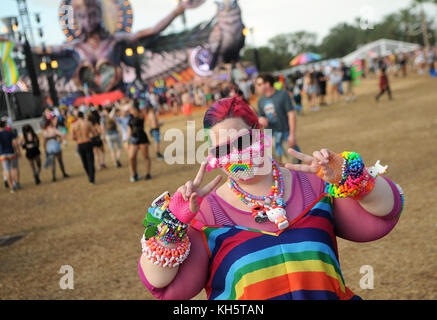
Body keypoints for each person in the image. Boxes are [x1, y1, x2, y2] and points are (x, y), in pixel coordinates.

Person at [138, 96, 405, 300]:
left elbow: (386, 209)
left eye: (242, 142)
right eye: (223, 148)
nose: (236, 154)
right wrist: (172, 224)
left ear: (261, 130)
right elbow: (160, 282)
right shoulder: (206, 213)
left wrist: (348, 176)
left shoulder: (314, 186)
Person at [255, 73, 301, 165]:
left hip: (285, 134)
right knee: (278, 166)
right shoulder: (261, 100)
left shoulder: (283, 94)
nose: (257, 87)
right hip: (270, 137)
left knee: (294, 163)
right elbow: (261, 117)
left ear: (267, 84)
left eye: (259, 84)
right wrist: (261, 119)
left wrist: (292, 135)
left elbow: (291, 115)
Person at [127, 100, 152, 182]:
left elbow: (143, 114)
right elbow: (129, 129)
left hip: (142, 137)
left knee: (146, 156)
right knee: (131, 157)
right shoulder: (130, 116)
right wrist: (127, 140)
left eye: (131, 108)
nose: (129, 109)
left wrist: (137, 108)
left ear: (135, 108)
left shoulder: (140, 114)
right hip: (133, 138)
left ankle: (148, 173)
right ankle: (134, 174)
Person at [71, 111, 96, 185]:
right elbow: (94, 133)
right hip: (87, 142)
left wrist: (78, 138)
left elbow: (73, 137)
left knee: (84, 161)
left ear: (77, 117)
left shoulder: (73, 125)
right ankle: (91, 178)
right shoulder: (87, 123)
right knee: (90, 161)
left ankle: (89, 175)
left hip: (80, 144)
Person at [0, 117, 20, 193]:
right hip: (11, 153)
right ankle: (16, 183)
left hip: (2, 154)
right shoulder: (10, 133)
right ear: (5, 125)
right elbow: (15, 143)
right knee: (14, 168)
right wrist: (18, 151)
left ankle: (12, 187)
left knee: (6, 170)